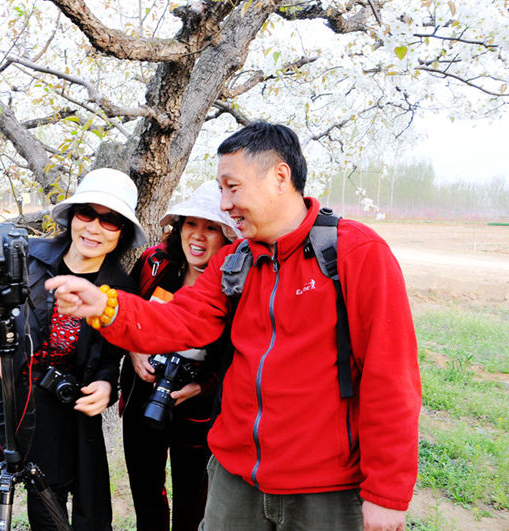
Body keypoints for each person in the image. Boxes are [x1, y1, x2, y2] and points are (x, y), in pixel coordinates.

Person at [47, 122, 421, 531]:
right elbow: (180, 321)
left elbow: (391, 379)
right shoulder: (235, 261)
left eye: (232, 187)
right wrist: (106, 306)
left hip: (325, 487)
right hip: (234, 476)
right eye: (220, 189)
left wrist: (386, 494)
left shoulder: (355, 254)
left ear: (280, 176)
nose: (224, 204)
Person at [0, 168, 145, 530]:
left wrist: (108, 386)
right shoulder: (26, 258)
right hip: (5, 397)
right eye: (87, 214)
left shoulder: (121, 290)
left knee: (51, 506)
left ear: (122, 232)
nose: (94, 228)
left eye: (110, 221)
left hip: (61, 413)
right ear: (72, 217)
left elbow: (112, 357)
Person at [121, 181, 240, 531]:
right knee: (146, 493)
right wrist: (135, 350)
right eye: (191, 224)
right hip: (143, 396)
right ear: (179, 227)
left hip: (199, 407)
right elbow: (123, 314)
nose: (198, 236)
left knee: (194, 498)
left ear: (227, 236)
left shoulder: (235, 283)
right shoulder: (154, 265)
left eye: (211, 227)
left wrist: (204, 387)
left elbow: (240, 355)